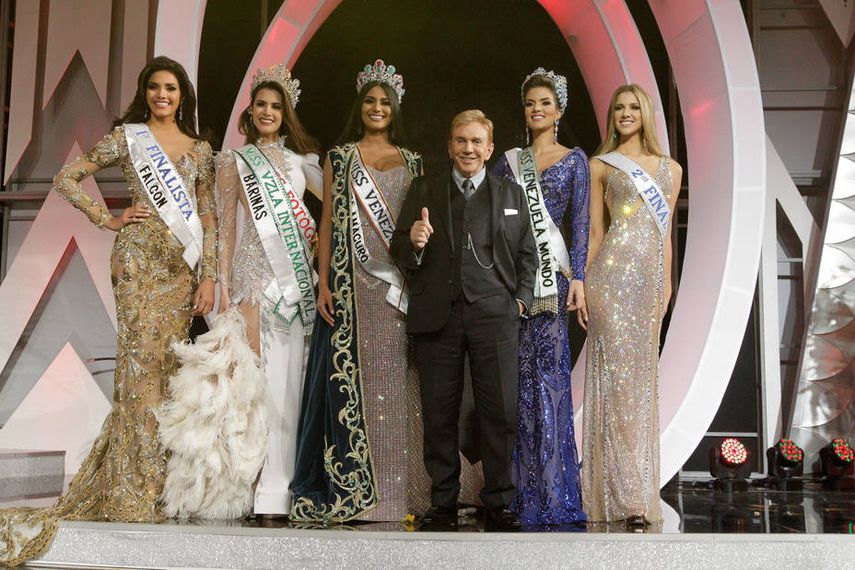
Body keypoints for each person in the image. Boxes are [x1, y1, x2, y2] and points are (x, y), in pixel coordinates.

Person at [0, 56, 216, 565]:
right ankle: (130, 490)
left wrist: (209, 275)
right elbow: (67, 178)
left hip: (181, 271)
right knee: (137, 372)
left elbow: (208, 216)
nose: (162, 95)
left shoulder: (202, 151)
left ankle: (162, 487)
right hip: (137, 263)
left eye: (171, 88)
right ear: (145, 93)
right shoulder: (128, 138)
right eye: (154, 87)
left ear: (183, 95)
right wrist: (108, 217)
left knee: (168, 373)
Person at [156, 65, 322, 519]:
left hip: (294, 283)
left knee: (291, 383)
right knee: (254, 385)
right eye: (261, 105)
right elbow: (226, 228)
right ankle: (256, 490)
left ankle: (287, 486)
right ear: (251, 112)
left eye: (276, 106)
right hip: (251, 283)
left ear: (286, 114)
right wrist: (222, 284)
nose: (267, 112)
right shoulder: (233, 161)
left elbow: (334, 215)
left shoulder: (302, 164)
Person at [290, 60, 426, 523]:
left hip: (396, 290)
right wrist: (324, 282)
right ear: (360, 106)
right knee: (351, 380)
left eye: (385, 102)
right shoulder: (341, 157)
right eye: (370, 100)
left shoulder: (413, 161)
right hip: (351, 287)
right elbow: (327, 223)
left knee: (396, 382)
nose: (377, 108)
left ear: (396, 108)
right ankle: (356, 485)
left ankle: (397, 488)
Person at [391, 109, 538, 531]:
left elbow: (528, 255)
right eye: (461, 140)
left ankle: (499, 502)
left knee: (500, 413)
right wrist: (414, 243)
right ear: (449, 145)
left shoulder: (511, 194)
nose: (468, 148)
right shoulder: (425, 188)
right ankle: (443, 503)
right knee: (439, 414)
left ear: (490, 149)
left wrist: (520, 302)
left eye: (476, 141)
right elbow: (399, 247)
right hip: (439, 315)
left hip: (496, 315)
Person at [581, 84, 682, 528]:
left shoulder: (671, 169)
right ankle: (614, 497)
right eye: (619, 107)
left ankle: (637, 493)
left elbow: (666, 235)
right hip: (608, 281)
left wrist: (666, 286)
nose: (625, 113)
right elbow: (595, 232)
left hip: (646, 287)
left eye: (633, 107)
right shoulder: (600, 165)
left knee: (639, 390)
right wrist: (583, 285)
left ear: (645, 114)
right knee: (613, 387)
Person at [492, 68, 588, 526]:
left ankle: (553, 491)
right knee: (515, 385)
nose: (536, 109)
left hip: (553, 282)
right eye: (530, 103)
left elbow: (581, 223)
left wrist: (580, 278)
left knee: (549, 383)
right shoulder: (509, 162)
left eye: (545, 103)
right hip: (514, 283)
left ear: (559, 110)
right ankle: (516, 489)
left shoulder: (574, 161)